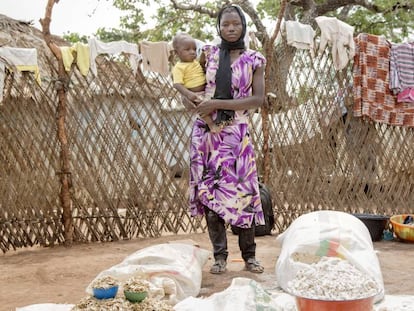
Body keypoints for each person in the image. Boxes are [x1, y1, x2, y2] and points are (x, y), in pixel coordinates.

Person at [187, 4, 267, 274]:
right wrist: (194, 100)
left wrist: (218, 103)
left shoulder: (255, 59)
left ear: (243, 25)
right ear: (218, 27)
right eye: (225, 24)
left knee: (243, 194)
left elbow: (257, 99)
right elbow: (194, 87)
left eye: (235, 24)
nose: (230, 29)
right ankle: (219, 256)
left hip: (236, 135)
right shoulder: (207, 54)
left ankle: (249, 256)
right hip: (207, 134)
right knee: (211, 194)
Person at [171, 33, 220, 132]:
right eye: (187, 50)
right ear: (177, 53)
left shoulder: (196, 62)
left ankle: (217, 122)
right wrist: (188, 94)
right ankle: (211, 125)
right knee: (202, 109)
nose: (192, 52)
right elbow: (177, 84)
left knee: (211, 106)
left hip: (205, 91)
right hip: (194, 94)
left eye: (194, 49)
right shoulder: (179, 67)